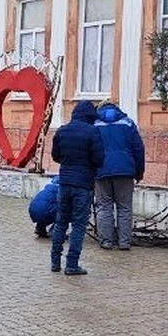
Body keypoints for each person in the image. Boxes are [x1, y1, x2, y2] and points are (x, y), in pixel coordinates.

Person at [49, 101, 104, 275]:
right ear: (89, 117)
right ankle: (72, 264)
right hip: (83, 185)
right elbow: (99, 159)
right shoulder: (93, 132)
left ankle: (55, 262)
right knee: (79, 225)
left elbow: (55, 156)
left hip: (64, 182)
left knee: (60, 222)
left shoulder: (61, 131)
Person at [93, 101, 145, 251]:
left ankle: (106, 241)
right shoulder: (127, 123)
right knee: (124, 207)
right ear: (117, 108)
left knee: (104, 207)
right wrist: (139, 172)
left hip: (101, 170)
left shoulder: (95, 124)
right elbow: (138, 149)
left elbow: (91, 148)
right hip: (125, 171)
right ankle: (124, 242)